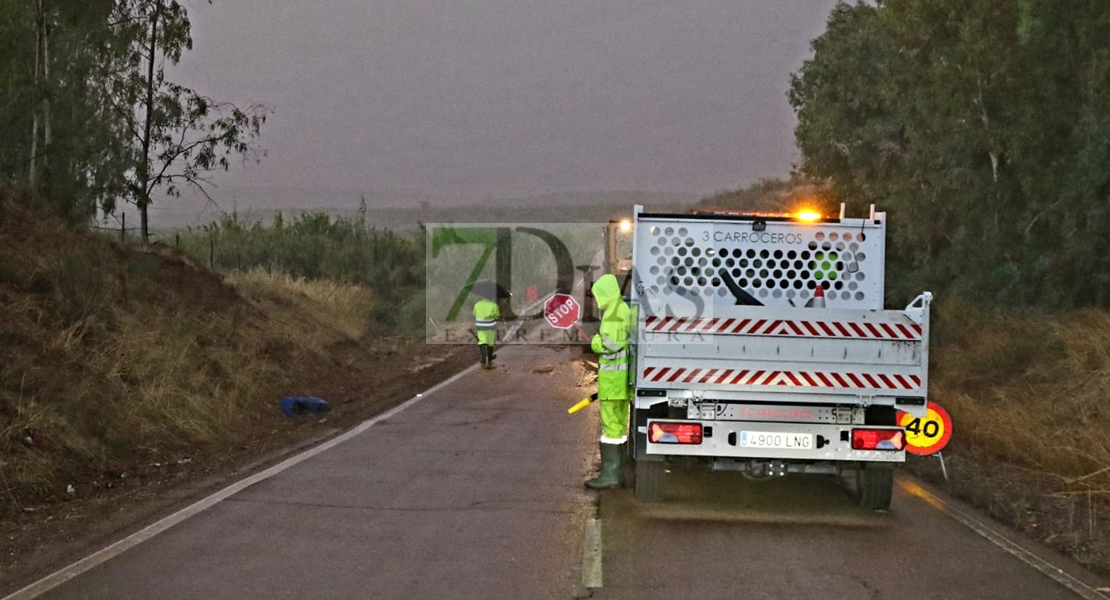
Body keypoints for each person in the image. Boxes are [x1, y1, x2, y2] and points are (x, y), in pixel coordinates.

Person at [585, 273, 632, 489]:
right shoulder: (622, 308)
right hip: (621, 383)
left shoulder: (613, 312)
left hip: (612, 382)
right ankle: (618, 472)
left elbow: (611, 346)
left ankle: (610, 475)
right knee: (620, 428)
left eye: (597, 295)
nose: (596, 300)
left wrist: (596, 342)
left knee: (611, 426)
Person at [473, 296, 500, 369]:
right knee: (490, 342)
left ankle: (483, 358)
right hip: (490, 325)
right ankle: (490, 357)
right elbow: (497, 315)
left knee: (482, 341)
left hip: (480, 325)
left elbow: (474, 314)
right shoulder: (493, 305)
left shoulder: (477, 304)